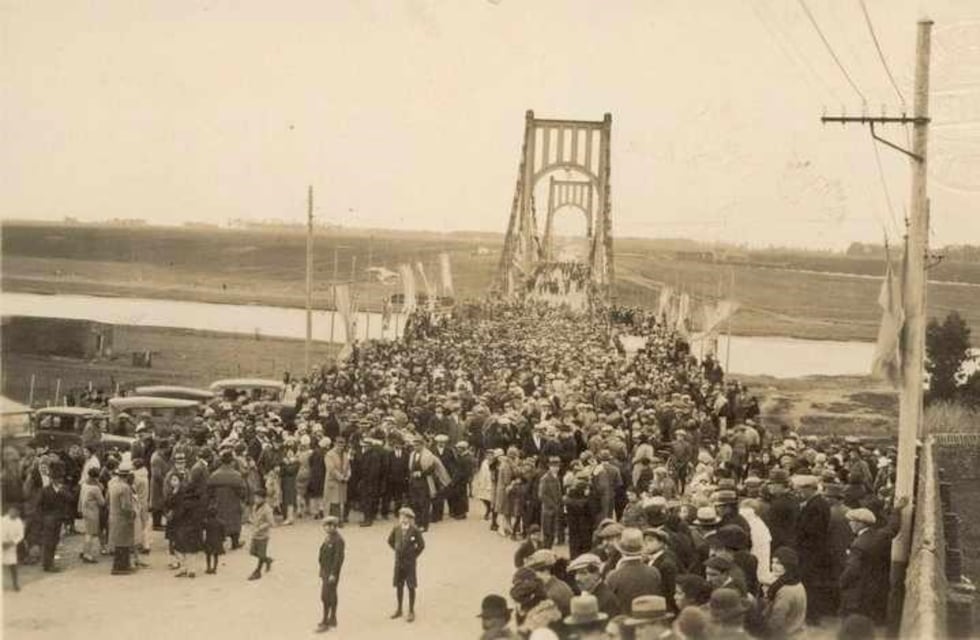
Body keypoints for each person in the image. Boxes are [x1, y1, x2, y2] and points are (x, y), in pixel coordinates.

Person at [839, 500, 906, 623]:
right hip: (876, 588)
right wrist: (897, 510)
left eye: (852, 522)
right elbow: (893, 527)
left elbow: (852, 570)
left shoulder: (858, 545)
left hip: (860, 592)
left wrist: (842, 582)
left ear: (860, 524)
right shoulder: (880, 535)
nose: (850, 524)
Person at [388, 506, 425, 623]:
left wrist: (414, 555)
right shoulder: (396, 529)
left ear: (410, 519)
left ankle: (411, 610)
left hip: (410, 563)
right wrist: (397, 550)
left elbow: (421, 545)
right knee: (399, 586)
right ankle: (399, 609)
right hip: (399, 563)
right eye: (401, 517)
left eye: (406, 518)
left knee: (411, 586)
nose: (403, 520)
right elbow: (390, 541)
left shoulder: (415, 530)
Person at [762, 546, 807, 639]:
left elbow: (776, 621)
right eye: (772, 562)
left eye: (779, 563)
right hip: (797, 631)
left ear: (788, 565)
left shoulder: (784, 591)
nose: (773, 566)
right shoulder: (797, 583)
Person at [207, 451, 248, 549]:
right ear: (232, 462)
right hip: (233, 504)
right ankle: (235, 543)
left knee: (220, 521)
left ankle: (220, 544)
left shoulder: (214, 475)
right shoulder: (237, 475)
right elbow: (243, 492)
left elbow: (209, 492)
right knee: (235, 522)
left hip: (219, 504)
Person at [567, 552, 621, 617]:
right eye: (576, 574)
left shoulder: (607, 600)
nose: (577, 578)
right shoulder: (587, 594)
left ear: (596, 574)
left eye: (583, 573)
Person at [317, 515, 345, 632]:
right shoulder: (328, 538)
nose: (327, 528)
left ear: (334, 526)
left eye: (329, 526)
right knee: (328, 595)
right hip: (325, 570)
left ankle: (327, 619)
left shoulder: (338, 540)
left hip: (332, 572)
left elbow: (338, 558)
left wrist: (333, 573)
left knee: (327, 595)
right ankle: (332, 618)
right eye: (326, 526)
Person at [107, 461, 136, 575]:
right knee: (124, 543)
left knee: (119, 543)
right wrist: (132, 513)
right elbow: (125, 506)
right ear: (128, 476)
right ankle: (121, 567)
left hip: (114, 516)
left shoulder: (113, 485)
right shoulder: (125, 488)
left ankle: (122, 566)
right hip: (123, 518)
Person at [78, 467, 104, 563]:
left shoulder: (84, 484)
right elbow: (102, 502)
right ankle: (87, 555)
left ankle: (84, 550)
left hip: (85, 510)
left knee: (87, 532)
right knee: (90, 534)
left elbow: (80, 499)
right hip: (93, 512)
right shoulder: (95, 488)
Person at [248, 489, 275, 581]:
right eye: (255, 497)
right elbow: (254, 517)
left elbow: (271, 523)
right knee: (252, 552)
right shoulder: (255, 507)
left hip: (263, 536)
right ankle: (267, 560)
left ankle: (257, 571)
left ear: (263, 499)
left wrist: (261, 527)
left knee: (261, 554)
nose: (256, 499)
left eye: (258, 498)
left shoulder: (267, 509)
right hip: (255, 534)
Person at [324, 437, 352, 525]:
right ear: (335, 444)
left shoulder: (345, 455)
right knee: (333, 502)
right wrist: (340, 477)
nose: (340, 446)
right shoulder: (329, 455)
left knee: (341, 501)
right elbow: (331, 469)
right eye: (338, 444)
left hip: (342, 481)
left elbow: (348, 467)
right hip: (333, 481)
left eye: (342, 444)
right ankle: (335, 520)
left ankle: (339, 518)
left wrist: (348, 475)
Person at [537, 456, 562, 548]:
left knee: (552, 533)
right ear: (549, 467)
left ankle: (549, 550)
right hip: (548, 510)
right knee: (547, 533)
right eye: (554, 466)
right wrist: (552, 504)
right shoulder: (545, 479)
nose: (556, 468)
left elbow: (559, 493)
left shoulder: (557, 478)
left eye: (557, 466)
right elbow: (542, 495)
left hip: (556, 509)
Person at [2, 505, 25, 591]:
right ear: (9, 510)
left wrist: (12, 542)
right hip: (2, 543)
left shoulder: (19, 522)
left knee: (13, 565)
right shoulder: (3, 520)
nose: (13, 513)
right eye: (12, 510)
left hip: (11, 546)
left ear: (18, 513)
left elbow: (21, 535)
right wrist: (2, 543)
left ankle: (15, 583)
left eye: (16, 511)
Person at [203, 505, 225, 575]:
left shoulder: (206, 522)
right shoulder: (221, 522)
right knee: (216, 556)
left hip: (209, 541)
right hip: (217, 541)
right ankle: (214, 568)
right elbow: (223, 533)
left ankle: (208, 567)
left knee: (208, 555)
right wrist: (222, 539)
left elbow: (203, 530)